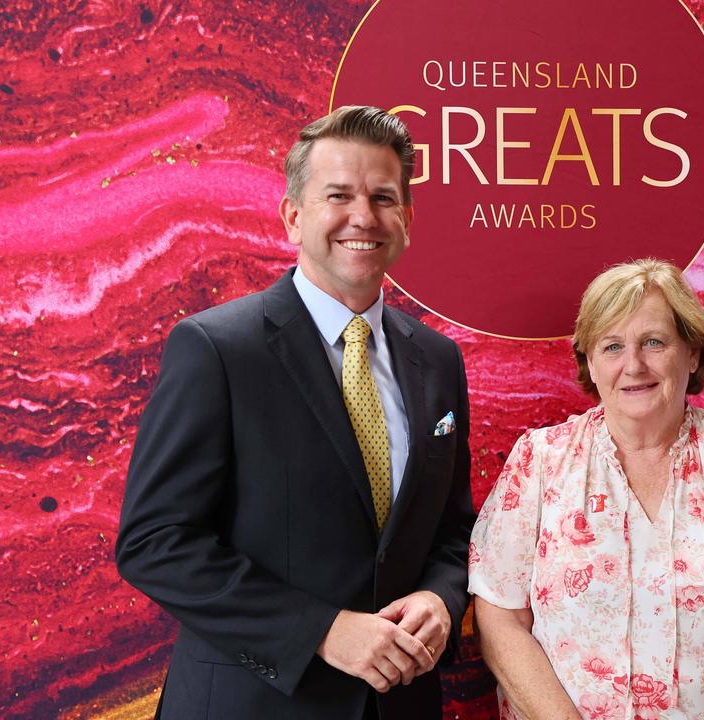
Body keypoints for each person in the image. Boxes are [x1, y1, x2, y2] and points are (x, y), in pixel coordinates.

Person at [115, 106, 474, 720]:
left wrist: (442, 600)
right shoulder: (216, 349)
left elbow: (454, 530)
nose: (363, 216)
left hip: (401, 706)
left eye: (384, 197)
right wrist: (323, 631)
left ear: (407, 220)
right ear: (293, 216)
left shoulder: (438, 361)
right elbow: (154, 542)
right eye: (338, 194)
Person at [469, 259, 704, 720]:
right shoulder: (540, 462)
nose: (633, 365)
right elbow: (499, 618)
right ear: (590, 362)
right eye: (612, 346)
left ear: (692, 353)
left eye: (654, 343)